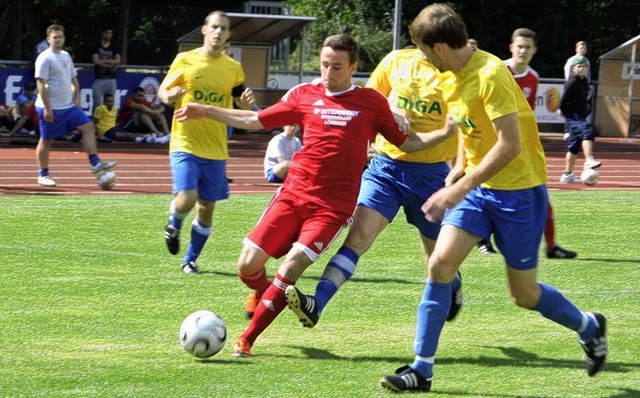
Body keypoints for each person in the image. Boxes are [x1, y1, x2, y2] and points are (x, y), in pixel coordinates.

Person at [174, 33, 457, 357]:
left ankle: (247, 339)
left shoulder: (371, 102)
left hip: (331, 209)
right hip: (292, 195)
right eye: (324, 65)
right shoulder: (305, 95)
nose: (328, 73)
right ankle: (268, 294)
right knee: (247, 266)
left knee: (293, 265)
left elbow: (406, 144)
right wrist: (207, 110)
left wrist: (445, 133)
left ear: (353, 67)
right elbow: (256, 119)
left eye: (336, 67)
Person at [378, 4, 607, 393]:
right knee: (440, 265)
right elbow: (472, 130)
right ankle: (422, 369)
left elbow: (510, 145)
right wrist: (460, 167)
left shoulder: (490, 74)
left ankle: (588, 326)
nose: (419, 58)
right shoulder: (449, 75)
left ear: (439, 47)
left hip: (519, 195)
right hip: (479, 191)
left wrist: (456, 187)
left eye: (422, 49)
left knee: (524, 294)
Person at [284, 41, 461, 330]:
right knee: (357, 238)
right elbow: (370, 97)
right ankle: (317, 304)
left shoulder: (452, 73)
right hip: (386, 168)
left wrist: (459, 169)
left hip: (430, 175)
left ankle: (452, 281)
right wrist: (391, 108)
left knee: (437, 258)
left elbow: (461, 125)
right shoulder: (395, 61)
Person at [157, 10, 256, 274]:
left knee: (207, 207)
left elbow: (239, 100)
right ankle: (174, 223)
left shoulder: (233, 68)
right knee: (188, 197)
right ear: (204, 30)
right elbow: (163, 90)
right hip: (184, 141)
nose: (218, 32)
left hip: (216, 147)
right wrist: (170, 95)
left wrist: (245, 103)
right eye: (214, 27)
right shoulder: (185, 60)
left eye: (223, 28)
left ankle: (190, 260)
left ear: (228, 35)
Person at [477, 28, 577, 259]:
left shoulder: (533, 77)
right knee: (486, 191)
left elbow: (526, 114)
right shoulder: (496, 70)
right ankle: (483, 240)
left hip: (521, 149)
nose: (523, 50)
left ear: (534, 51)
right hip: (493, 145)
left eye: (527, 47)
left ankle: (551, 246)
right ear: (511, 47)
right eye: (519, 46)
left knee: (540, 192)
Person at [34, 24, 116, 187]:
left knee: (87, 126)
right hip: (51, 107)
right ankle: (43, 174)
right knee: (47, 140)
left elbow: (73, 78)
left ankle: (95, 162)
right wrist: (48, 108)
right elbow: (40, 84)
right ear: (48, 39)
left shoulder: (66, 55)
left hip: (68, 106)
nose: (58, 40)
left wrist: (77, 96)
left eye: (61, 37)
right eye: (55, 37)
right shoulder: (44, 57)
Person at [559, 56, 601, 184]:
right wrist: (564, 113)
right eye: (578, 66)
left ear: (586, 68)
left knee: (574, 146)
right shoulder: (572, 81)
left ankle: (567, 175)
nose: (581, 68)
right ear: (573, 69)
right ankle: (589, 159)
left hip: (579, 116)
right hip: (572, 116)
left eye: (583, 66)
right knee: (588, 129)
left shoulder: (584, 82)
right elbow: (564, 99)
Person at [91, 26, 121, 112]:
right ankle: (95, 124)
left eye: (110, 33)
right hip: (99, 79)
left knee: (110, 104)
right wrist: (110, 64)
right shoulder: (97, 46)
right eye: (107, 33)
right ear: (103, 33)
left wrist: (103, 61)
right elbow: (96, 61)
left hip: (111, 79)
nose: (108, 35)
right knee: (97, 104)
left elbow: (118, 60)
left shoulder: (114, 46)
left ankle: (108, 123)